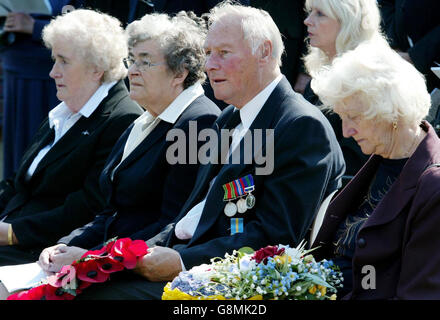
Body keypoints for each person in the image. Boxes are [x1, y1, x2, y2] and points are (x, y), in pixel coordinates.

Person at [50, 1, 345, 300]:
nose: (209, 65)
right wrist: (107, 258)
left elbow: (275, 239)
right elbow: (191, 217)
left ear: (264, 53)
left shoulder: (300, 126)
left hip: (238, 286)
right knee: (71, 284)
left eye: (223, 53)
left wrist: (180, 262)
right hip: (196, 266)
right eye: (207, 53)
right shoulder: (229, 118)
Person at [32, 12, 221, 275]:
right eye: (131, 60)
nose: (132, 70)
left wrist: (91, 258)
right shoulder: (146, 119)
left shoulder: (197, 122)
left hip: (143, 269)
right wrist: (65, 246)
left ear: (179, 72)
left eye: (145, 62)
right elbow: (111, 212)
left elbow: (172, 223)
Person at [0, 9, 143, 265]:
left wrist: (12, 234)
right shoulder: (67, 106)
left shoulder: (120, 118)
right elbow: (19, 183)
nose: (53, 72)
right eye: (54, 59)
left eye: (63, 61)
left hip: (46, 250)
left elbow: (87, 208)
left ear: (96, 68)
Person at [310, 40, 440, 299]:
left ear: (391, 111)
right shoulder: (382, 156)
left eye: (354, 117)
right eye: (342, 117)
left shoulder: (434, 186)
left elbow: (418, 293)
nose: (346, 131)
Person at [302, 0, 385, 181]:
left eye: (320, 14)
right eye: (310, 12)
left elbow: (355, 161)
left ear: (348, 22)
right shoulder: (320, 74)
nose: (307, 20)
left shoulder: (365, 80)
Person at [0, 0, 81, 179]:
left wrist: (36, 27)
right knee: (18, 159)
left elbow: (89, 26)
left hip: (54, 77)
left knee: (48, 156)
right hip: (15, 71)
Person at [378, 0, 440, 92]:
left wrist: (415, 57)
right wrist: (393, 45)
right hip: (400, 62)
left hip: (432, 59)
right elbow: (385, 3)